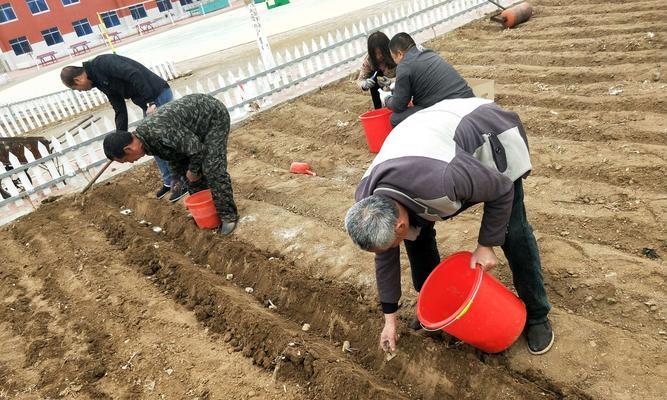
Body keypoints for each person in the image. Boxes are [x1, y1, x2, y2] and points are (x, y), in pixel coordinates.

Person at [344, 97, 554, 355]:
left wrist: (486, 245)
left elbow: (501, 189)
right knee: (416, 238)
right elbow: (384, 254)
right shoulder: (368, 203)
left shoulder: (445, 180)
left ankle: (536, 315)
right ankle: (435, 302)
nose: (388, 249)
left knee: (513, 231)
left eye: (393, 240)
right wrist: (390, 319)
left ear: (399, 224)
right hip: (428, 137)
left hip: (486, 134)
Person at [102, 94, 238, 235]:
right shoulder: (145, 140)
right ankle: (207, 211)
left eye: (125, 160)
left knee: (212, 168)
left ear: (128, 149)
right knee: (188, 176)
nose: (130, 162)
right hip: (193, 130)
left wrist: (194, 171)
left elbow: (197, 150)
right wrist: (175, 177)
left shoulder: (159, 132)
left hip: (212, 118)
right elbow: (173, 153)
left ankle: (228, 216)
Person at [60, 54, 186, 202]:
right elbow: (119, 108)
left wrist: (150, 102)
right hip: (148, 102)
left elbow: (134, 73)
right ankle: (169, 181)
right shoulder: (99, 81)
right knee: (152, 144)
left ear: (78, 80)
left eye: (78, 89)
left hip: (157, 95)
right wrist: (119, 139)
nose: (82, 91)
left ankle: (182, 181)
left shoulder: (103, 63)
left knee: (160, 142)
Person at [384, 32, 474, 127]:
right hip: (468, 97)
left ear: (399, 54)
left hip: (450, 109)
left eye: (394, 57)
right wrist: (395, 82)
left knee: (396, 118)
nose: (395, 61)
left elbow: (398, 106)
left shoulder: (404, 65)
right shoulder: (427, 52)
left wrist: (386, 99)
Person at [357, 31, 397, 110]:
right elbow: (360, 80)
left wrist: (391, 81)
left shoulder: (395, 55)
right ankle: (380, 108)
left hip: (398, 86)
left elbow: (407, 73)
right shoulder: (369, 61)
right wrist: (364, 84)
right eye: (376, 53)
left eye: (381, 53)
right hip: (380, 92)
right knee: (374, 75)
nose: (379, 56)